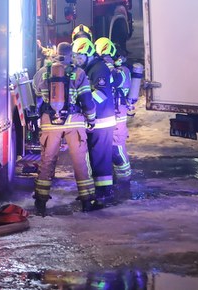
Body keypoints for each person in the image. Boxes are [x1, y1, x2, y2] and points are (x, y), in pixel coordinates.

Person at [32, 42, 104, 215]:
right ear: (70, 54)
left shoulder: (43, 72)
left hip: (50, 122)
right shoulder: (78, 72)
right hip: (74, 122)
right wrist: (91, 119)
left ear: (56, 53)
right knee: (80, 162)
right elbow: (87, 101)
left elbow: (37, 97)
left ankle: (41, 203)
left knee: (47, 162)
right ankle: (87, 202)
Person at [73, 36, 116, 204]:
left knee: (100, 157)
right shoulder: (89, 68)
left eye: (81, 56)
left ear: (89, 54)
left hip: (102, 120)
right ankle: (97, 190)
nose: (78, 60)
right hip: (95, 119)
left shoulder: (99, 68)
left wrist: (85, 104)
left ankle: (104, 192)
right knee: (94, 156)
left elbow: (101, 93)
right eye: (76, 56)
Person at [95, 37, 134, 186]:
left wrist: (109, 66)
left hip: (118, 113)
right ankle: (113, 179)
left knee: (116, 147)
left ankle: (124, 181)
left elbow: (115, 81)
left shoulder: (123, 71)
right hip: (108, 114)